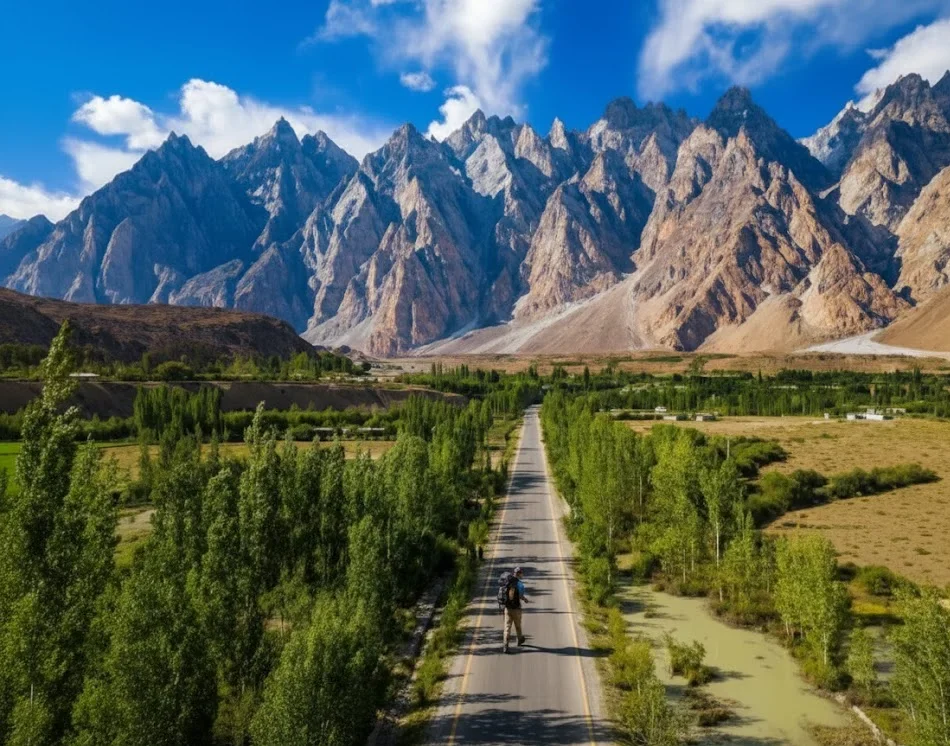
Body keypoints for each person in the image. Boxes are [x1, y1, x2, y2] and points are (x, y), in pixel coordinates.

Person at [503, 567, 528, 653]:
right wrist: (525, 599)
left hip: (507, 608)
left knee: (507, 627)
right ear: (519, 573)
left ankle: (505, 645)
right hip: (516, 609)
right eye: (521, 573)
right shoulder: (520, 584)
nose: (522, 575)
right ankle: (519, 640)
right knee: (518, 625)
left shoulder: (507, 581)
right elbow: (520, 596)